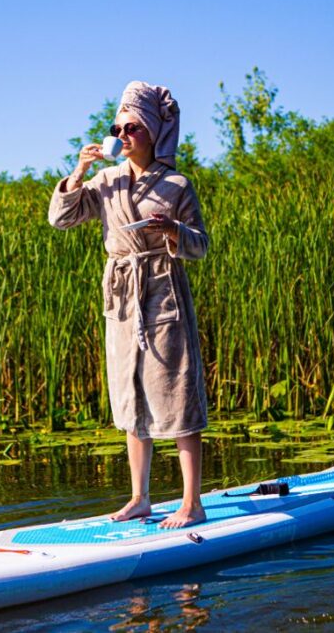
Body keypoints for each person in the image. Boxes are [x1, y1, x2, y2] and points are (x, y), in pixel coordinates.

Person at [48, 81, 209, 529]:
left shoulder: (177, 184)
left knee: (174, 392)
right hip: (120, 296)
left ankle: (191, 502)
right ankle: (140, 498)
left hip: (162, 291)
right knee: (131, 394)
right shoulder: (106, 181)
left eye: (133, 126)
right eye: (117, 126)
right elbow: (61, 219)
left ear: (153, 132)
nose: (123, 134)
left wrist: (173, 228)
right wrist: (78, 172)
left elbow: (200, 246)